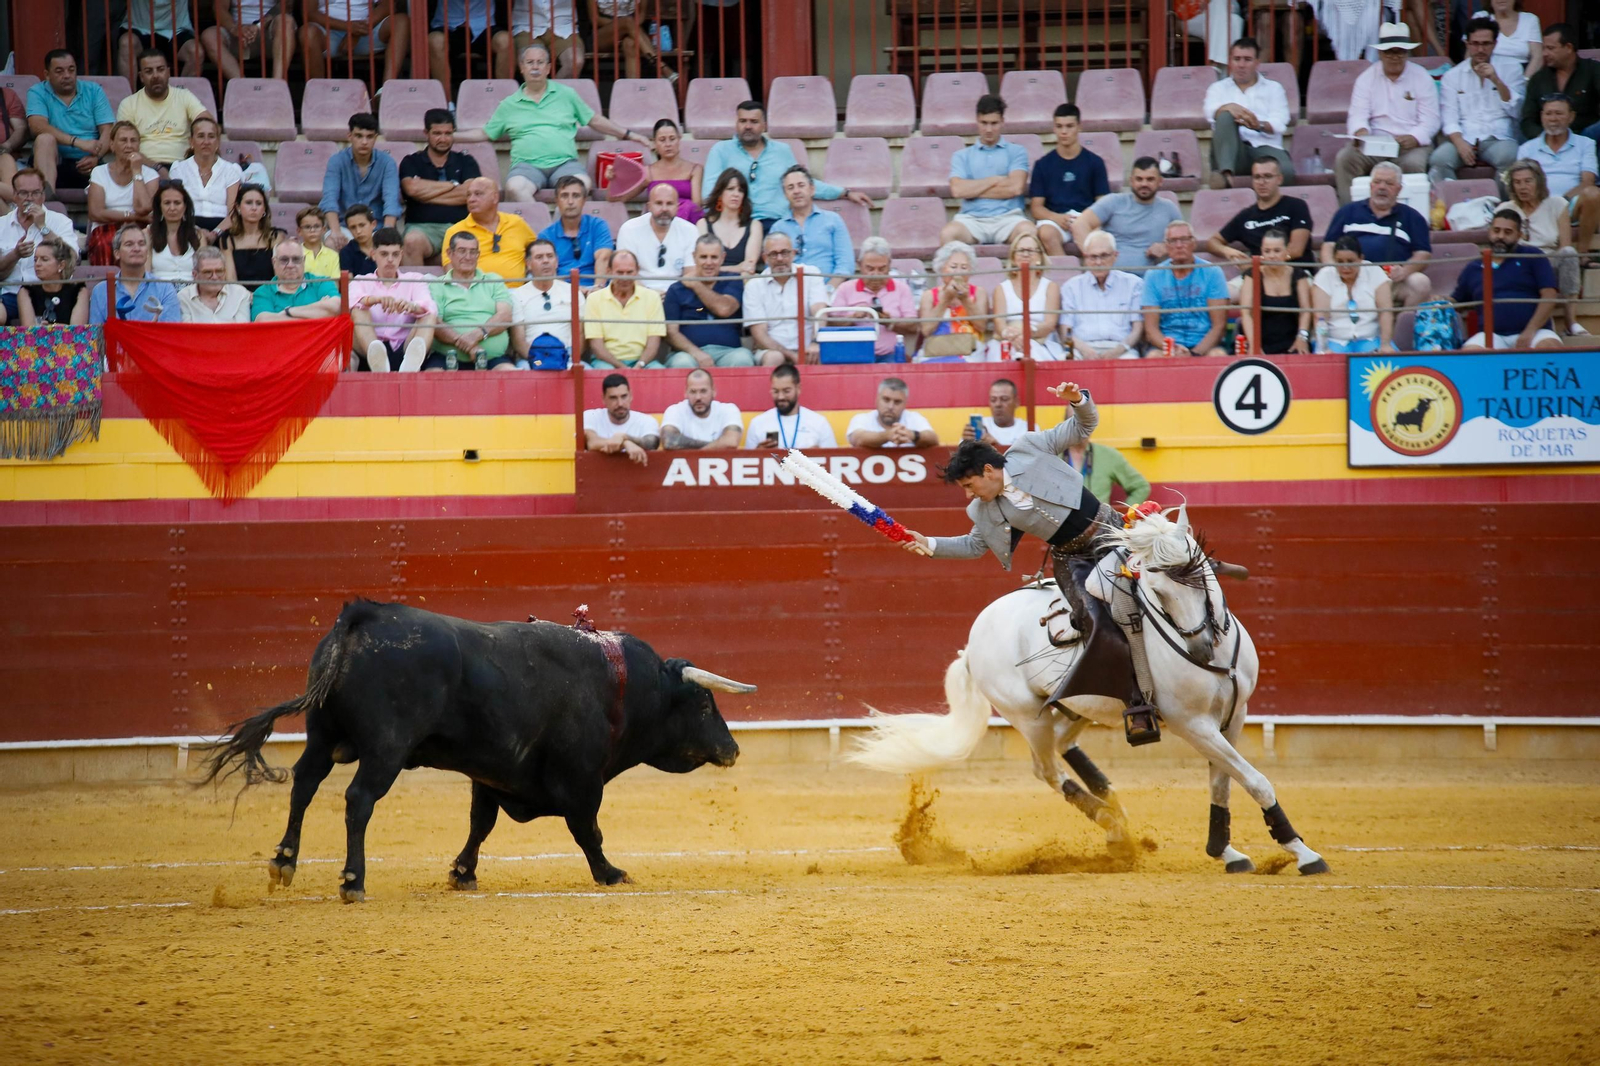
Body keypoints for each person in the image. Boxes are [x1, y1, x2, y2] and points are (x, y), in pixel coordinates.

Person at [897, 384, 1163, 744]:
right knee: (1092, 618)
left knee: (1172, 578)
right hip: (1071, 558)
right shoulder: (983, 508)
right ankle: (1135, 700)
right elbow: (976, 545)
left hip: (1111, 532)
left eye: (969, 484)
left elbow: (1083, 428)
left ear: (989, 470)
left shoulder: (1029, 449)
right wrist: (928, 544)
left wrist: (1076, 401)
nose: (968, 495)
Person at [454, 43, 648, 200]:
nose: (535, 67)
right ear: (522, 68)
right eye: (530, 62)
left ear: (548, 68)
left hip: (565, 164)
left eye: (540, 62)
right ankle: (543, 233)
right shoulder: (509, 104)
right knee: (514, 189)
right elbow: (485, 133)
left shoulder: (567, 94)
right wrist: (452, 137)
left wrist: (629, 134)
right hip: (526, 166)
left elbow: (595, 120)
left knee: (581, 185)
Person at [700, 101, 872, 223]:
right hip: (738, 222)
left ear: (764, 126)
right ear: (736, 123)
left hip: (775, 222)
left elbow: (802, 184)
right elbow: (709, 192)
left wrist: (846, 193)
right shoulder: (720, 150)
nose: (748, 126)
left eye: (754, 122)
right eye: (743, 121)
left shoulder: (782, 151)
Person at [1335, 24, 1440, 203]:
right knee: (1345, 159)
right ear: (1380, 54)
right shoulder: (1366, 78)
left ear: (1407, 54)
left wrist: (1414, 137)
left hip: (1411, 144)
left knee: (1413, 164)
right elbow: (1357, 115)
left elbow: (1431, 120)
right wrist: (1360, 131)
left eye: (1400, 52)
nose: (1395, 57)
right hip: (1375, 142)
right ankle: (1350, 214)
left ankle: (1409, 217)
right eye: (1389, 52)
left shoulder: (1421, 77)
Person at [1428, 18, 1525, 187]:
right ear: (1467, 43)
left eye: (1486, 44)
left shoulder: (1512, 68)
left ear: (1495, 43)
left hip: (1499, 137)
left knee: (1511, 157)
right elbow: (1449, 118)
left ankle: (1500, 208)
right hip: (1466, 136)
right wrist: (1459, 143)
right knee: (1439, 160)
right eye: (1475, 43)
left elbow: (1518, 112)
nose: (1480, 49)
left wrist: (1496, 80)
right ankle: (1452, 208)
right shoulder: (1453, 75)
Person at [1322, 161, 1433, 306]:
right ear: (1371, 186)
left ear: (1399, 189)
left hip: (1391, 281)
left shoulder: (1413, 217)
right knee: (1322, 279)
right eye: (1377, 182)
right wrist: (1334, 270)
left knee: (1421, 283)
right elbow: (1328, 245)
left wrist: (1405, 271)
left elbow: (1423, 254)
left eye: (1389, 183)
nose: (1382, 187)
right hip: (1350, 278)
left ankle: (1401, 327)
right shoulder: (1347, 211)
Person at [1500, 159, 1588, 337]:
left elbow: (1565, 246)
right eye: (1517, 182)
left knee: (1569, 254)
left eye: (1527, 181)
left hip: (1549, 263)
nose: (1522, 187)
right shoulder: (1506, 209)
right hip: (1520, 265)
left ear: (1539, 182)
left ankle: (1571, 322)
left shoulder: (1556, 204)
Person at [1452, 209, 1563, 349]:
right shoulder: (1473, 267)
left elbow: (1549, 294)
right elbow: (1457, 300)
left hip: (1535, 332)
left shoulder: (1533, 256)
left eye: (1508, 232)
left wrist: (1530, 330)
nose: (1500, 236)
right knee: (1470, 354)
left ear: (1519, 235)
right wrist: (1439, 299)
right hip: (1491, 336)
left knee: (1550, 347)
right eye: (1496, 231)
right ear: (1489, 231)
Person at [940, 94, 1035, 248]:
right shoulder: (961, 156)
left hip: (1009, 218)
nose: (989, 129)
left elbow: (1015, 188)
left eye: (994, 123)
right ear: (977, 120)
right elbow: (958, 190)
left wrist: (972, 189)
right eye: (984, 123)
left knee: (1028, 232)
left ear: (1003, 121)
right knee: (947, 234)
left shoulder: (1017, 152)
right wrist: (995, 180)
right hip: (971, 220)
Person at [1517, 94, 1600, 263]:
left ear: (1571, 117)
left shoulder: (1586, 144)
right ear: (1542, 117)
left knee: (1593, 193)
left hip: (1571, 205)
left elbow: (1587, 182)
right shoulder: (1527, 148)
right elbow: (1521, 181)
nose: (1553, 119)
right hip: (1538, 203)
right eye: (1548, 114)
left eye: (1559, 114)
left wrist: (1562, 202)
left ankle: (1582, 254)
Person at [1204, 37, 1295, 189]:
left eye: (1247, 59)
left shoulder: (1274, 88)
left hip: (1266, 148)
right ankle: (1226, 176)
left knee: (1286, 173)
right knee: (1225, 114)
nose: (1241, 65)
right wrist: (1229, 108)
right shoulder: (1217, 88)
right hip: (1234, 153)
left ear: (1257, 63)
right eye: (1237, 59)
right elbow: (1209, 113)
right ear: (1230, 61)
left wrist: (1257, 124)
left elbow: (1280, 123)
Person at [346, 228, 437, 371]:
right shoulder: (360, 281)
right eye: (384, 254)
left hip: (404, 346)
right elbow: (349, 302)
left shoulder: (414, 279)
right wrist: (375, 300)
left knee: (429, 315)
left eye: (395, 255)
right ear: (373, 254)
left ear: (401, 255)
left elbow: (429, 306)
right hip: (367, 348)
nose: (390, 259)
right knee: (358, 310)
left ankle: (411, 364)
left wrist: (411, 307)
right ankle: (376, 356)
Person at [25, 49, 114, 195]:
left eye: (71, 70)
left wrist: (96, 157)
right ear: (47, 75)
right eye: (59, 71)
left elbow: (108, 130)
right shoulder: (37, 92)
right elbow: (37, 126)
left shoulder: (93, 90)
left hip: (89, 162)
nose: (67, 76)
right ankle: (47, 200)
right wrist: (77, 142)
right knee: (44, 139)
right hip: (53, 160)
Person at [399, 108, 481, 265]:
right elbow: (412, 189)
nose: (443, 139)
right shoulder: (411, 161)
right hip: (423, 229)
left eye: (448, 133)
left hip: (462, 227)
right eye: (437, 133)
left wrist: (426, 195)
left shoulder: (466, 161)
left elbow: (469, 194)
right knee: (411, 241)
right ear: (426, 133)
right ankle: (415, 290)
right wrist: (452, 185)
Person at [1071, 157, 1183, 270]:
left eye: (1150, 179)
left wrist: (1167, 248)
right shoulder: (1113, 202)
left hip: (1151, 281)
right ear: (1131, 181)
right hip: (1112, 278)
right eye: (1139, 179)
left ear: (1160, 181)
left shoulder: (1169, 208)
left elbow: (1184, 241)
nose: (1144, 184)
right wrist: (1094, 256)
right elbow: (1079, 225)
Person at [1029, 103, 1109, 257]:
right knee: (1046, 233)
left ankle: (1092, 276)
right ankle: (1066, 277)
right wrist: (1056, 218)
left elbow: (1103, 203)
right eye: (1059, 126)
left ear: (1079, 126)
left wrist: (1084, 220)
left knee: (1096, 237)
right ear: (1054, 128)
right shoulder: (1043, 164)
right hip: (1055, 219)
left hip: (1086, 217)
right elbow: (1036, 208)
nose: (1064, 132)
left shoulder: (1095, 162)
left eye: (1069, 126)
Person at [0, 168, 79, 323]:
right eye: (23, 193)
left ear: (43, 195)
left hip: (49, 292)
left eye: (36, 193)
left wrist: (43, 227)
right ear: (14, 196)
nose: (30, 199)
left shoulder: (60, 221)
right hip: (10, 294)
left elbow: (71, 259)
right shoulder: (1, 225)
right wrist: (15, 255)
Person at [663, 235, 754, 368]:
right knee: (681, 363)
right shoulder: (676, 289)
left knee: (743, 359)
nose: (709, 262)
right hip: (688, 354)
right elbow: (670, 332)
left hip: (729, 353)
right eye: (703, 257)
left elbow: (724, 309)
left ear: (723, 258)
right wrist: (696, 353)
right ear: (694, 257)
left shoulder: (733, 280)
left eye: (714, 257)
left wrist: (696, 284)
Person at [823, 235, 919, 360]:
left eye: (882, 269)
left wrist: (890, 322)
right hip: (852, 355)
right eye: (870, 268)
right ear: (859, 265)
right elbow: (831, 324)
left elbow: (913, 327)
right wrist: (853, 317)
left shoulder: (901, 288)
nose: (876, 274)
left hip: (890, 355)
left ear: (889, 265)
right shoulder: (845, 288)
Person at [1141, 220, 1228, 357]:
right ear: (1166, 246)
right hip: (1167, 346)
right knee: (1153, 357)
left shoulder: (1212, 272)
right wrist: (1173, 349)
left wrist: (1194, 353)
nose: (1179, 245)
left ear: (1194, 243)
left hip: (1205, 345)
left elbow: (1219, 326)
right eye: (1173, 241)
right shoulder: (1153, 275)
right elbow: (1151, 329)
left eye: (1184, 240)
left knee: (1218, 355)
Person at [428, 231, 514, 369]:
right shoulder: (437, 285)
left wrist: (477, 335)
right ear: (450, 253)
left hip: (493, 358)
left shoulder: (493, 280)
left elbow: (505, 316)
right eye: (462, 251)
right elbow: (435, 323)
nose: (468, 257)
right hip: (447, 358)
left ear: (478, 255)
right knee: (431, 377)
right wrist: (469, 346)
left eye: (473, 252)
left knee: (512, 375)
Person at [1207, 156, 1313, 268]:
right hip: (1257, 276)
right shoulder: (1245, 216)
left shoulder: (1296, 206)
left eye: (1268, 176)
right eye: (1257, 177)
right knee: (1229, 286)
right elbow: (1212, 242)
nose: (1262, 182)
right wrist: (1227, 251)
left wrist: (1256, 263)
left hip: (1295, 275)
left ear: (1279, 179)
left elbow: (1296, 250)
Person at [744, 233, 830, 365]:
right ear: (765, 257)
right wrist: (791, 355)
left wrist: (815, 342)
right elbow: (759, 334)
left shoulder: (811, 273)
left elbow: (819, 311)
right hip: (772, 350)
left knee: (819, 354)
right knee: (774, 357)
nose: (779, 258)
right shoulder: (754, 285)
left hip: (809, 346)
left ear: (793, 254)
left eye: (784, 253)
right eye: (773, 254)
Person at [116, 49, 210, 170]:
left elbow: (207, 123)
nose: (155, 76)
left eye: (160, 69)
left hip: (183, 167)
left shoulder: (184, 96)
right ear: (141, 77)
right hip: (144, 168)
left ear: (168, 72)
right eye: (149, 71)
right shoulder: (128, 104)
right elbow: (124, 146)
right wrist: (157, 168)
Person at [1059, 230, 1145, 359]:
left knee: (1130, 364)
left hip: (1121, 349)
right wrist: (1085, 350)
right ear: (1085, 258)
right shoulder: (1071, 287)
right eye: (1093, 257)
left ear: (1115, 256)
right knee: (1065, 361)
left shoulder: (1133, 284)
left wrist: (1118, 351)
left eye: (1104, 255)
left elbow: (1137, 329)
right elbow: (1065, 329)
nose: (1098, 262)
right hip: (1081, 348)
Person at [87, 121, 160, 265]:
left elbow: (144, 208)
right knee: (107, 243)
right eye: (123, 140)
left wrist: (137, 172)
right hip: (105, 228)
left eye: (133, 141)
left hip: (140, 228)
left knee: (142, 244)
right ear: (112, 145)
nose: (129, 145)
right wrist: (132, 216)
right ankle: (109, 286)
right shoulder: (99, 172)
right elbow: (95, 213)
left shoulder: (150, 175)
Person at [441, 176, 536, 286]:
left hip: (518, 294)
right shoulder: (455, 231)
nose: (471, 199)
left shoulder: (517, 223)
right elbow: (451, 272)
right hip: (477, 296)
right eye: (468, 195)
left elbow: (536, 252)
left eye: (478, 194)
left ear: (495, 197)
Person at [321, 112, 401, 243]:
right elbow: (329, 199)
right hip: (344, 227)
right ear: (350, 136)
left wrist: (387, 233)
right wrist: (335, 231)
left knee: (387, 245)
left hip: (376, 227)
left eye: (369, 137)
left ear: (376, 138)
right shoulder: (336, 161)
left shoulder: (387, 163)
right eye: (359, 136)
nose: (364, 142)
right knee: (331, 242)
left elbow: (391, 201)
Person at [1310, 235, 1397, 353]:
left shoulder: (1375, 272)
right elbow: (1320, 318)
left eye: (1350, 261)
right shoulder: (1324, 276)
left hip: (1370, 339)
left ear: (1361, 258)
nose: (1345, 267)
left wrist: (1385, 344)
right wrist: (1324, 347)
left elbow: (1386, 312)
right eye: (1340, 262)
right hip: (1334, 340)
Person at [582, 250, 667, 367]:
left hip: (644, 362)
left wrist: (640, 365)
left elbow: (654, 342)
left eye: (629, 272)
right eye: (620, 272)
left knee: (658, 372)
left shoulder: (652, 298)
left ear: (637, 271)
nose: (625, 277)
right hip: (607, 362)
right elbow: (597, 346)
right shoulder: (594, 299)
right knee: (604, 373)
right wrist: (622, 368)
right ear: (609, 271)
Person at [770, 166, 854, 282]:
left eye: (801, 185)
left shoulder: (833, 220)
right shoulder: (778, 228)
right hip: (790, 292)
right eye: (790, 188)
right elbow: (772, 267)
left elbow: (845, 264)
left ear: (812, 189)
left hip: (829, 290)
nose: (796, 191)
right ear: (785, 194)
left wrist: (829, 291)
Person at [1238, 228, 1313, 355]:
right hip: (1259, 342)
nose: (1272, 256)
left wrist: (1302, 337)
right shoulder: (1252, 275)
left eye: (1277, 251)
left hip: (1292, 342)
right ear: (1261, 251)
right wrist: (1254, 344)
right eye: (1267, 251)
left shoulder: (1299, 275)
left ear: (1287, 250)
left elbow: (1306, 311)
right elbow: (1246, 313)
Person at [87, 223, 182, 324]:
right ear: (117, 253)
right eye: (129, 244)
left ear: (147, 252)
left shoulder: (165, 289)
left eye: (141, 244)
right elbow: (97, 335)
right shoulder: (101, 291)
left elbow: (170, 333)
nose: (137, 249)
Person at [990, 230, 1064, 360]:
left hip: (1041, 341)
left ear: (1040, 257)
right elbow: (999, 324)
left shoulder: (1050, 287)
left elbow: (1050, 324)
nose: (1025, 254)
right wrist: (1014, 336)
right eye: (1021, 250)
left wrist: (1026, 333)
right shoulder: (1001, 289)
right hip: (1009, 340)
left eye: (1030, 251)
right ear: (1013, 258)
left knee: (1032, 351)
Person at [1520, 24, 1600, 143]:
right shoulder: (1538, 79)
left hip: (1586, 136)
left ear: (1568, 47)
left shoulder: (1593, 70)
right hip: (1548, 138)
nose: (1544, 54)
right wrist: (1544, 138)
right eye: (1544, 48)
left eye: (1550, 48)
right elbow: (1527, 120)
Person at [301, 0, 412, 84]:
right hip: (328, 33)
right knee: (307, 33)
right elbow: (309, 13)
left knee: (401, 21)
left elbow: (387, 5)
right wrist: (349, 27)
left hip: (366, 31)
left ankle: (387, 88)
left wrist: (358, 31)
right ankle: (318, 92)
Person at [615, 182, 699, 291]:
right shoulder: (629, 229)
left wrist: (672, 295)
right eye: (659, 203)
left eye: (669, 204)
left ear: (677, 207)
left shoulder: (690, 230)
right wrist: (650, 297)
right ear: (649, 206)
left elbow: (691, 273)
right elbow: (625, 274)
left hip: (677, 294)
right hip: (637, 293)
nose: (664, 209)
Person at [916, 240, 990, 361]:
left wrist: (965, 299)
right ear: (942, 268)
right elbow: (926, 330)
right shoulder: (929, 295)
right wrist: (945, 300)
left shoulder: (979, 292)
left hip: (970, 350)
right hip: (937, 349)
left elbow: (981, 326)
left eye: (964, 267)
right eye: (953, 266)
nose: (958, 272)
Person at [509, 238, 576, 367]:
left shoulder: (572, 292)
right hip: (532, 358)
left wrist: (562, 359)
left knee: (586, 376)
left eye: (550, 256)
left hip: (566, 357)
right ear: (528, 264)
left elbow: (579, 334)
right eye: (539, 257)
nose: (545, 261)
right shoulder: (517, 296)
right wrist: (541, 362)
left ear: (556, 261)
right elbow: (519, 342)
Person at [169, 115, 240, 234]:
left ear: (217, 142)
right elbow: (175, 208)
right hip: (187, 227)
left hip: (223, 229)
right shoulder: (179, 169)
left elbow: (233, 213)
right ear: (191, 141)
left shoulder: (231, 170)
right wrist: (197, 232)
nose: (206, 142)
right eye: (201, 136)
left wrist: (215, 233)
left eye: (211, 136)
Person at [427, 0, 515, 96]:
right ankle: (446, 102)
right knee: (435, 41)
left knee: (506, 41)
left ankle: (505, 100)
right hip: (448, 25)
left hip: (484, 26)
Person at [539, 174, 613, 287]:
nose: (570, 202)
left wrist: (596, 291)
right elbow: (548, 274)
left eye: (576, 196)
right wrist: (574, 292)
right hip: (562, 292)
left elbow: (603, 258)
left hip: (596, 288)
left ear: (584, 200)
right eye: (564, 196)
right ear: (556, 201)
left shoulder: (598, 225)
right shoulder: (546, 235)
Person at [200, 0, 299, 84]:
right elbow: (219, 8)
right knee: (209, 35)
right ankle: (242, 85)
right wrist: (234, 28)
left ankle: (276, 85)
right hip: (238, 33)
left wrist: (259, 25)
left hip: (270, 31)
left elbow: (286, 5)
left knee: (286, 21)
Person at [744, 364, 837, 449]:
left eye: (786, 391)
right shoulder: (757, 423)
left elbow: (833, 462)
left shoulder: (819, 423)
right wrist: (758, 454)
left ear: (798, 389)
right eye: (775, 391)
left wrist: (817, 457)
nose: (780, 397)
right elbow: (745, 463)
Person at [250, 239, 342, 321]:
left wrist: (288, 311)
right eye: (284, 260)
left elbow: (335, 308)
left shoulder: (322, 282)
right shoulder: (263, 292)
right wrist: (317, 310)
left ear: (304, 261)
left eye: (296, 259)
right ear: (274, 262)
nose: (290, 265)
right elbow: (263, 321)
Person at [588, 0, 676, 82]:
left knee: (630, 44)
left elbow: (641, 15)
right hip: (602, 35)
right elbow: (595, 19)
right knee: (627, 22)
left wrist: (628, 28)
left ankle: (633, 89)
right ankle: (660, 66)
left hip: (631, 30)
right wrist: (621, 26)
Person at [697, 168, 763, 277]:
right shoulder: (703, 224)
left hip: (741, 284)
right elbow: (702, 268)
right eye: (730, 189)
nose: (736, 194)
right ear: (720, 193)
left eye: (740, 190)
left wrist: (719, 269)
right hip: (709, 283)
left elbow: (749, 268)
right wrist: (737, 268)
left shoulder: (754, 226)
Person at [117, 0, 203, 82]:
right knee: (126, 44)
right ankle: (129, 96)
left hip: (176, 30)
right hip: (139, 28)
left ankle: (182, 95)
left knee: (196, 53)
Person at [17, 234, 90, 327]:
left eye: (44, 259)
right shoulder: (26, 291)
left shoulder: (79, 290)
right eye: (35, 260)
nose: (37, 264)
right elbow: (29, 330)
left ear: (61, 265)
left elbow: (77, 331)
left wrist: (53, 328)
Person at [585, 372, 659, 464]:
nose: (620, 403)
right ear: (603, 398)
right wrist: (625, 443)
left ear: (631, 395)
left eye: (624, 396)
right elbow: (592, 442)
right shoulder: (591, 416)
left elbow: (651, 444)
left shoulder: (646, 420)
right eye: (613, 398)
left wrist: (625, 437)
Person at [218, 183, 284, 284]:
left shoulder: (276, 237)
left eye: (259, 203)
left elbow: (279, 277)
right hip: (238, 296)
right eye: (249, 203)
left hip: (269, 295)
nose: (254, 208)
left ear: (264, 209)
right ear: (238, 207)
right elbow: (231, 279)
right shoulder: (227, 239)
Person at [846, 377, 938, 448]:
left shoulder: (914, 418)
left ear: (905, 403)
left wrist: (913, 435)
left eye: (897, 402)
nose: (890, 407)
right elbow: (858, 439)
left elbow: (933, 439)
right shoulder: (861, 418)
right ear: (877, 399)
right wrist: (887, 436)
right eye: (886, 400)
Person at [661, 369, 743, 449]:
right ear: (686, 392)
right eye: (693, 391)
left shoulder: (728, 410)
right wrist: (717, 445)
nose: (698, 397)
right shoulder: (675, 410)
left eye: (703, 391)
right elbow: (669, 441)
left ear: (713, 391)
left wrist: (699, 452)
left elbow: (731, 441)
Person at [646, 119, 704, 224]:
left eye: (672, 139)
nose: (668, 144)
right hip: (658, 220)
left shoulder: (695, 169)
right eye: (662, 140)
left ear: (679, 139)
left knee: (690, 206)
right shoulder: (648, 171)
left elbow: (696, 204)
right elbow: (616, 198)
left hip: (688, 221)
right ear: (654, 143)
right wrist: (613, 179)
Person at [512, 0, 585, 80]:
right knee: (533, 65)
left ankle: (554, 91)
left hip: (564, 26)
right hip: (527, 27)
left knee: (575, 61)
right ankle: (539, 91)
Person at [178, 245, 252, 322]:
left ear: (225, 272)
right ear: (195, 275)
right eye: (208, 272)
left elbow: (242, 330)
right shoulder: (183, 298)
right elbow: (187, 332)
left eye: (219, 271)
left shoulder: (240, 294)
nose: (214, 277)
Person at [148, 179, 204, 282]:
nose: (172, 208)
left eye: (177, 203)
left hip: (191, 294)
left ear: (185, 206)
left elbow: (204, 273)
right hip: (158, 293)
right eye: (167, 203)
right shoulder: (147, 234)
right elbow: (145, 276)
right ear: (159, 207)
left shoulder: (198, 235)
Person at [1474, 0, 1541, 81]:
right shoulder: (1480, 17)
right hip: (1487, 77)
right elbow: (1471, 54)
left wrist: (1525, 82)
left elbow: (1537, 57)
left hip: (1521, 78)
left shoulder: (1530, 19)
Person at [959, 377, 1026, 446]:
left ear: (1017, 402)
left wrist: (995, 447)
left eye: (1004, 399)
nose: (998, 404)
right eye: (993, 400)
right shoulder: (980, 426)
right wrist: (965, 444)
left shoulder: (1027, 429)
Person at [293, 206, 340, 278]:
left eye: (316, 226)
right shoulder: (294, 255)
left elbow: (334, 284)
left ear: (324, 230)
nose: (312, 230)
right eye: (307, 227)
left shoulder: (333, 256)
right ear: (299, 231)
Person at [0, 87, 26, 203]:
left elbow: (21, 128)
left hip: (5, 154)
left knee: (25, 185)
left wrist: (6, 146)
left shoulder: (6, 95)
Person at [339, 204, 379, 276]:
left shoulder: (383, 247)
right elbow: (349, 283)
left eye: (362, 225)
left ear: (373, 224)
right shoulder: (346, 252)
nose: (358, 231)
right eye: (353, 227)